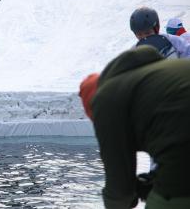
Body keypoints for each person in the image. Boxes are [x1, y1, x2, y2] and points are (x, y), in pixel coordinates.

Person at [79, 46, 190, 209]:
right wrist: (152, 181)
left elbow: (119, 188)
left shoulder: (107, 97)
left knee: (164, 200)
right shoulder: (155, 74)